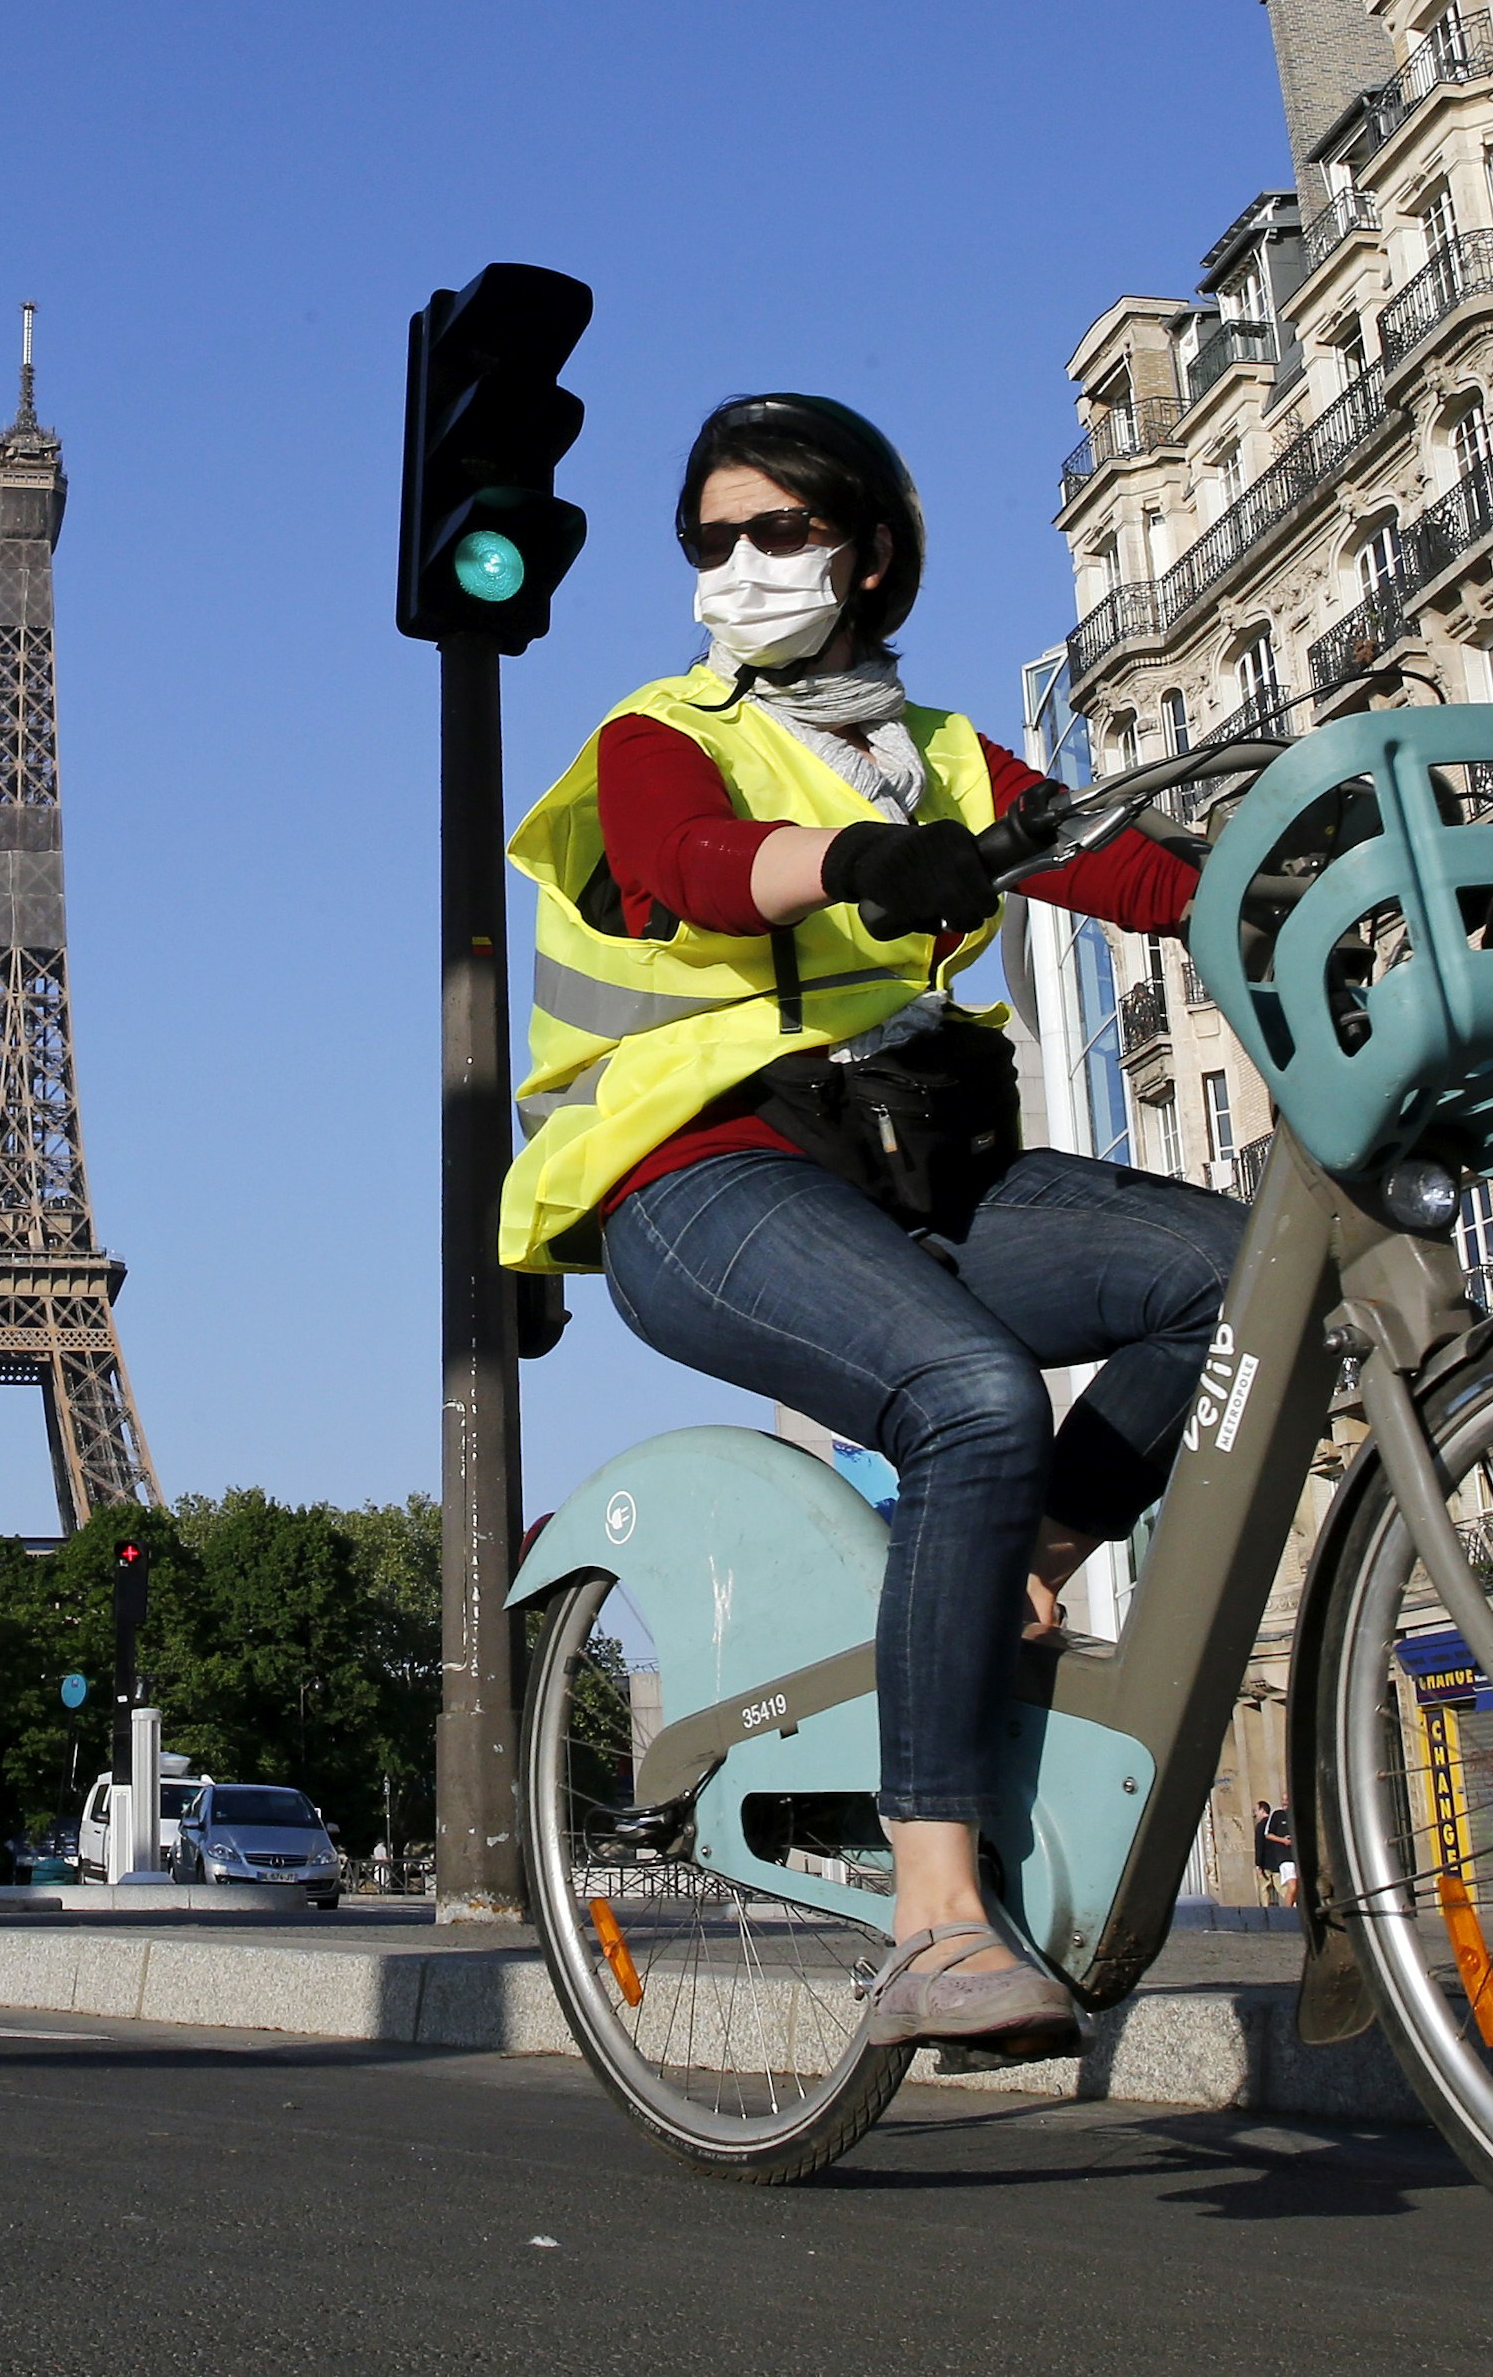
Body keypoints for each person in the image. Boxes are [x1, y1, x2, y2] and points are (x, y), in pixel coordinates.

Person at [502, 394, 1229, 2051]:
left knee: (1232, 1273)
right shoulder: (655, 729)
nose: (736, 567)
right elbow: (684, 859)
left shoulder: (954, 754)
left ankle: (1032, 1553)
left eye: (776, 531)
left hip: (905, 1174)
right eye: (710, 538)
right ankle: (932, 1924)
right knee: (969, 1394)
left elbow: (1135, 871)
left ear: (869, 550)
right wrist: (853, 861)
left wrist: (1317, 883)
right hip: (697, 1181)